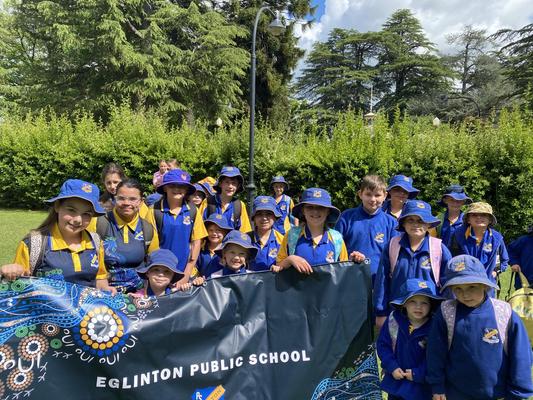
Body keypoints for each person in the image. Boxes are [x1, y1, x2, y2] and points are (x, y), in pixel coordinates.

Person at [427, 255, 533, 400]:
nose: (465, 294)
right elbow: (435, 352)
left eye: (472, 287)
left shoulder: (504, 313)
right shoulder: (447, 312)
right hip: (456, 393)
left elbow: (521, 355)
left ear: (485, 285)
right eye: (458, 288)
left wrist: (518, 393)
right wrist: (437, 386)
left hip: (496, 394)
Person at [0, 179, 115, 293]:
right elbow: (18, 284)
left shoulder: (95, 241)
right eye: (71, 210)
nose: (78, 220)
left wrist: (105, 288)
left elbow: (100, 278)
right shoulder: (33, 244)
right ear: (57, 206)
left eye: (86, 214)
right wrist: (12, 270)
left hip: (87, 305)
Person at [374, 200, 452, 328]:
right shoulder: (393, 246)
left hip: (430, 314)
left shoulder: (439, 248)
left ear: (428, 224)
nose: (415, 224)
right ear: (403, 223)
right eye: (410, 220)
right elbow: (382, 280)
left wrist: (446, 314)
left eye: (421, 221)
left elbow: (448, 284)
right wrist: (381, 312)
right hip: (398, 312)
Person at [377, 278, 443, 400]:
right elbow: (383, 345)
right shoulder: (393, 321)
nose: (418, 307)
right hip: (397, 382)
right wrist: (391, 366)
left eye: (424, 303)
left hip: (421, 387)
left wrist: (418, 373)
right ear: (404, 303)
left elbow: (436, 356)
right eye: (412, 301)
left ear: (431, 305)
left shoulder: (434, 327)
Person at [91, 179, 159, 293]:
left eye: (132, 199)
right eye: (121, 198)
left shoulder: (148, 228)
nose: (126, 203)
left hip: (139, 294)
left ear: (141, 202)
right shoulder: (98, 223)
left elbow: (155, 261)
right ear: (114, 199)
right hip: (105, 292)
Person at [148, 169, 208, 285]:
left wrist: (187, 273)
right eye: (172, 185)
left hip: (185, 271)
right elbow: (152, 248)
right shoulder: (154, 211)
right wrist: (162, 274)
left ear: (186, 190)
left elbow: (196, 242)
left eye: (182, 186)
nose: (177, 189)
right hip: (161, 273)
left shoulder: (193, 210)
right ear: (165, 188)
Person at [335, 174, 398, 280]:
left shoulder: (391, 223)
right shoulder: (346, 217)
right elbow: (336, 248)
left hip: (380, 281)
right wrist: (349, 257)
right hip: (350, 279)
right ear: (360, 194)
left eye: (377, 195)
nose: (373, 199)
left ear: (385, 196)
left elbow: (395, 256)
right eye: (368, 194)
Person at [275, 188, 348, 274]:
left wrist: (356, 260)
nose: (315, 211)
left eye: (321, 207)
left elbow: (344, 271)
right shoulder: (291, 235)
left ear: (328, 211)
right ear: (303, 210)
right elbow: (278, 266)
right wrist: (290, 259)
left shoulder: (337, 238)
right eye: (310, 207)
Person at [449, 202, 509, 294]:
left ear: (490, 220)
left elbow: (504, 259)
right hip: (464, 283)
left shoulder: (496, 238)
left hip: (487, 284)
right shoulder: (458, 235)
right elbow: (451, 258)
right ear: (468, 220)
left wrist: (496, 271)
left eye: (484, 215)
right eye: (474, 215)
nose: (479, 217)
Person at [198, 166, 252, 233]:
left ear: (238, 186)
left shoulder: (239, 205)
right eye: (227, 182)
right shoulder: (208, 202)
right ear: (220, 184)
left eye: (234, 183)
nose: (230, 186)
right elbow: (199, 228)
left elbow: (245, 232)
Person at [192, 230, 258, 284]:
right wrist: (199, 282)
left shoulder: (253, 279)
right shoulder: (214, 278)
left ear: (247, 256)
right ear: (224, 254)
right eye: (232, 252)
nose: (236, 257)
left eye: (242, 254)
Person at [249, 196, 284, 272]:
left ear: (275, 217)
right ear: (254, 218)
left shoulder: (282, 240)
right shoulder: (245, 240)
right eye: (259, 214)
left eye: (269, 214)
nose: (264, 218)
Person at [195, 213, 232, 278]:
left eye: (218, 230)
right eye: (211, 230)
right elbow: (195, 269)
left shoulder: (228, 251)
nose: (214, 233)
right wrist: (198, 278)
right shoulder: (200, 250)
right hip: (203, 283)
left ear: (225, 232)